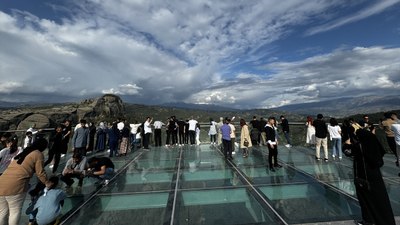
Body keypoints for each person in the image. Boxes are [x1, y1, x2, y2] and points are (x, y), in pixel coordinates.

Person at [343, 128, 395, 225]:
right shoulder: (373, 145)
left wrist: (347, 143)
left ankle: (369, 220)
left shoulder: (361, 147)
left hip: (363, 178)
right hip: (375, 176)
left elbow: (347, 151)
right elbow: (382, 152)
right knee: (379, 200)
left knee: (365, 200)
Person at [0, 138, 49, 225]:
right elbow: (40, 173)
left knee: (2, 212)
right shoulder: (38, 154)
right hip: (16, 185)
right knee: (15, 211)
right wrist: (47, 183)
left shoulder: (23, 153)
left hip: (2, 182)